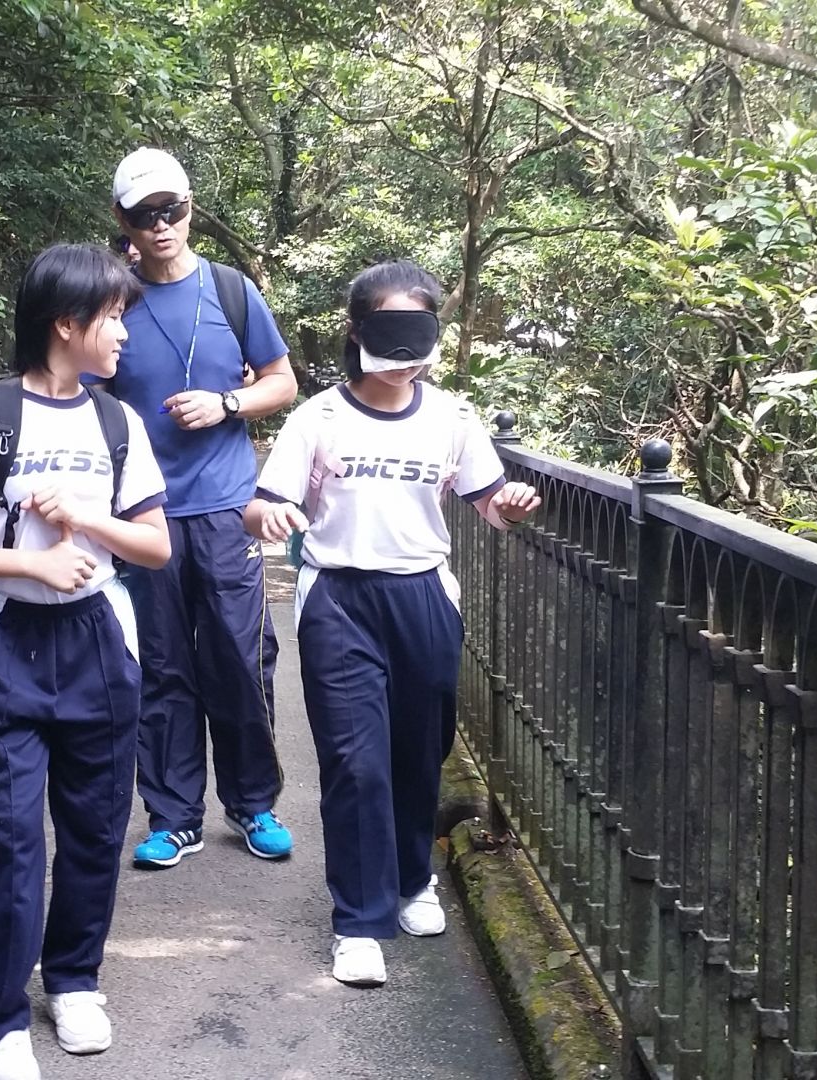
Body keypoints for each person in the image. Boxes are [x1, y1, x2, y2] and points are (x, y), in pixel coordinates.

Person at [0, 244, 171, 1080]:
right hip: (9, 646)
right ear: (67, 323)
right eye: (113, 317)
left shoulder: (118, 423)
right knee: (13, 839)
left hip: (101, 642)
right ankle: (1, 1022)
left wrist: (86, 520)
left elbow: (156, 546)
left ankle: (75, 981)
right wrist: (31, 563)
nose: (123, 333)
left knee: (96, 828)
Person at [243, 260, 541, 988]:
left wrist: (513, 504)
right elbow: (260, 506)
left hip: (423, 597)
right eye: (391, 329)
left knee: (418, 752)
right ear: (357, 331)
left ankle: (413, 880)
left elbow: (489, 503)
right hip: (339, 598)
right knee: (355, 761)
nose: (406, 352)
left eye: (419, 329)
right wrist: (270, 516)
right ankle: (357, 920)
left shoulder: (453, 418)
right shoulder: (319, 418)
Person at [104, 146, 300, 869]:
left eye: (173, 210)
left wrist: (227, 403)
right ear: (123, 220)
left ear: (190, 208)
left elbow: (282, 381)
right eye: (144, 215)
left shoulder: (230, 290)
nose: (161, 225)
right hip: (142, 514)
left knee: (240, 658)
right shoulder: (113, 299)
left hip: (225, 508)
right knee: (159, 664)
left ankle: (253, 804)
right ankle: (173, 816)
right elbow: (83, 390)